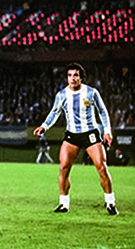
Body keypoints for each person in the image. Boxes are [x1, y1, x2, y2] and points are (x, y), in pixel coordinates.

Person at [33, 63, 117, 215]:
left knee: (102, 167)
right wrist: (44, 126)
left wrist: (107, 131)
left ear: (81, 78)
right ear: (67, 77)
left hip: (90, 134)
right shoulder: (62, 95)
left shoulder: (91, 92)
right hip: (72, 135)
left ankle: (110, 202)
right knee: (63, 168)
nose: (72, 78)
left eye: (76, 75)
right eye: (70, 75)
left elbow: (103, 112)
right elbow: (54, 113)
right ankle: (64, 204)